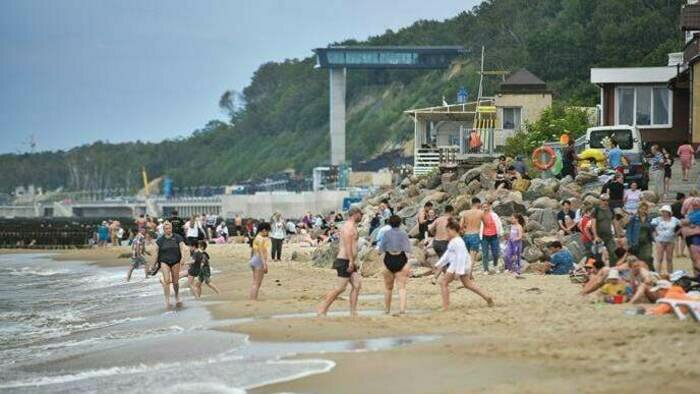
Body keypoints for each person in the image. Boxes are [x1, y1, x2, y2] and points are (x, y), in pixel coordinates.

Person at [436, 219, 494, 311]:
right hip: (461, 265)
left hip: (459, 265)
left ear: (454, 230)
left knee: (444, 283)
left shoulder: (458, 242)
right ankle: (487, 297)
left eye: (448, 231)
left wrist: (458, 272)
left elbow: (461, 257)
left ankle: (445, 306)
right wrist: (439, 264)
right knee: (468, 284)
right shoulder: (454, 241)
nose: (447, 234)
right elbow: (448, 255)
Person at [318, 207, 363, 316]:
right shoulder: (348, 227)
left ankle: (353, 312)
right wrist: (351, 262)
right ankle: (322, 309)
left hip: (349, 259)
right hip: (345, 260)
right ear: (355, 214)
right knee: (340, 288)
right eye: (360, 214)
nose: (361, 216)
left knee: (357, 285)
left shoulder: (351, 226)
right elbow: (347, 246)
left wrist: (353, 260)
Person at [377, 215, 412, 314]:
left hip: (389, 259)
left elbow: (380, 250)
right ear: (400, 223)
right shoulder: (403, 233)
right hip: (401, 258)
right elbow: (408, 250)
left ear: (389, 223)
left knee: (388, 288)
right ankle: (402, 309)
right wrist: (408, 264)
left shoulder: (386, 234)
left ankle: (387, 310)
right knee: (401, 287)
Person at [153, 222, 187, 309]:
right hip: (164, 261)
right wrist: (154, 264)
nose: (168, 230)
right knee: (167, 280)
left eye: (170, 228)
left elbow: (182, 248)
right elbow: (156, 253)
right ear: (163, 230)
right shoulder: (160, 241)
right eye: (166, 229)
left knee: (175, 282)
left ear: (171, 228)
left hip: (176, 261)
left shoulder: (177, 237)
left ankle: (177, 296)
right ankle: (167, 301)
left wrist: (183, 258)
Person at [651, 205, 680, 275]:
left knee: (669, 259)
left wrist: (676, 234)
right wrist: (655, 234)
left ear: (669, 212)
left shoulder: (674, 219)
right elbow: (651, 226)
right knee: (659, 259)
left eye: (665, 211)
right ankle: (657, 274)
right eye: (662, 211)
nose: (663, 213)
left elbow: (681, 226)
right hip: (660, 241)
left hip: (670, 241)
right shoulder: (657, 219)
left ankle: (670, 275)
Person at [429, 205, 454, 282]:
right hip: (444, 242)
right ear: (451, 211)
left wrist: (434, 234)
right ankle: (435, 277)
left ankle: (448, 277)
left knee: (444, 260)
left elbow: (430, 228)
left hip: (436, 242)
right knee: (445, 261)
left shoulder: (438, 219)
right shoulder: (451, 220)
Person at [591, 194, 617, 266]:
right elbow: (593, 224)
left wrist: (618, 234)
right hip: (599, 237)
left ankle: (612, 270)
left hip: (609, 236)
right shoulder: (596, 210)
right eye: (603, 200)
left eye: (607, 200)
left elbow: (615, 222)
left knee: (613, 253)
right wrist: (595, 236)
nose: (605, 202)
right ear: (600, 200)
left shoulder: (611, 210)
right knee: (598, 256)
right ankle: (598, 272)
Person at [626, 202, 654, 267]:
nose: (643, 211)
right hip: (636, 242)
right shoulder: (634, 219)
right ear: (639, 209)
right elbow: (629, 231)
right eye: (642, 209)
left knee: (647, 257)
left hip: (646, 242)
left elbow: (652, 229)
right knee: (638, 259)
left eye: (645, 209)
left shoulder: (649, 219)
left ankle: (649, 270)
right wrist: (630, 242)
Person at [249, 222, 271, 300]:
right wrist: (265, 264)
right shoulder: (261, 239)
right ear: (264, 230)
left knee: (255, 282)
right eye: (268, 231)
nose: (268, 233)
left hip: (253, 259)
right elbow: (261, 252)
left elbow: (252, 250)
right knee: (257, 283)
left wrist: (250, 260)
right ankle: (253, 300)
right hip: (259, 260)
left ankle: (253, 298)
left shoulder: (256, 238)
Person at [480, 201, 502, 274]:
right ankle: (486, 269)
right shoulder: (480, 216)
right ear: (481, 208)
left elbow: (499, 224)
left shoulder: (494, 215)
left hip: (494, 235)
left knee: (495, 252)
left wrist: (501, 232)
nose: (485, 208)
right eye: (483, 207)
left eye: (486, 207)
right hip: (484, 236)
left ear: (489, 207)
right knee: (485, 253)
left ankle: (495, 266)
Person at [460, 198, 483, 265]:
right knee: (472, 258)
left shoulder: (465, 213)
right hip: (475, 235)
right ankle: (469, 275)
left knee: (466, 257)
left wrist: (464, 231)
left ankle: (466, 274)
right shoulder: (480, 212)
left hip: (466, 235)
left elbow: (460, 226)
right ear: (477, 203)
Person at [672, 193, 687, 258]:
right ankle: (682, 252)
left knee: (676, 239)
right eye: (684, 198)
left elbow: (671, 214)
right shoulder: (684, 205)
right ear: (682, 198)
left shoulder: (672, 205)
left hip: (674, 223)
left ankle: (677, 253)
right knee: (683, 238)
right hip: (683, 223)